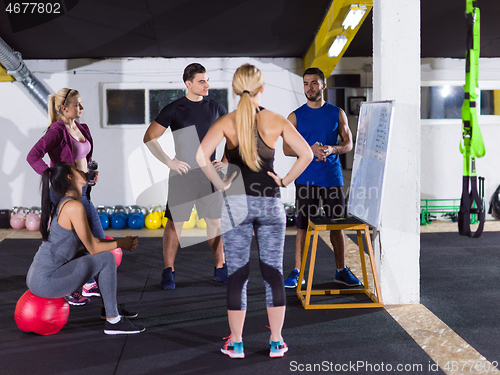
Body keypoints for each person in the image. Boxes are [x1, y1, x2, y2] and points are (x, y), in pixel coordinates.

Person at [196, 64, 313, 358]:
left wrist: (221, 183)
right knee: (273, 273)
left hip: (236, 203)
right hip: (270, 202)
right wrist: (285, 180)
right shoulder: (275, 120)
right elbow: (307, 154)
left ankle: (236, 343)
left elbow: (201, 157)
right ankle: (276, 341)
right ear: (262, 89)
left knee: (237, 275)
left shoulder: (226, 121)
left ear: (236, 89)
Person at [26, 162, 144, 335]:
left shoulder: (68, 204)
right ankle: (113, 321)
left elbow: (90, 242)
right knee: (106, 258)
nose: (83, 171)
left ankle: (109, 310)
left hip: (39, 277)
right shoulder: (73, 207)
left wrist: (118, 242)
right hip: (45, 281)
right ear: (70, 177)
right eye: (78, 170)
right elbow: (95, 247)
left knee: (98, 254)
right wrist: (121, 243)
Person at [143, 63, 228, 290]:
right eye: (202, 81)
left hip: (209, 174)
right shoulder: (175, 109)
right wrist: (170, 161)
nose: (207, 85)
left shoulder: (217, 108)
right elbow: (150, 137)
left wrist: (226, 161)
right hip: (183, 176)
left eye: (207, 80)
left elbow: (233, 135)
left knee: (214, 223)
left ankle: (220, 267)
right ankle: (168, 270)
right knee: (175, 224)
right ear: (188, 84)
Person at [283, 67, 361, 288]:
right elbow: (287, 148)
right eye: (306, 83)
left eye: (314, 83)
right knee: (303, 226)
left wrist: (332, 149)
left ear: (323, 86)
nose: (310, 88)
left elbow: (348, 143)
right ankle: (298, 271)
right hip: (305, 179)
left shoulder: (337, 113)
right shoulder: (295, 116)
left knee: (337, 225)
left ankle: (341, 270)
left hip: (332, 180)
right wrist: (309, 150)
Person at [27, 88, 104, 305]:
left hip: (83, 192)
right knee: (68, 245)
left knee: (94, 237)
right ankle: (69, 285)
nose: (82, 108)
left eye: (81, 104)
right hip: (64, 195)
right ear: (64, 108)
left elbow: (83, 158)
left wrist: (89, 174)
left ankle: (88, 283)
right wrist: (54, 177)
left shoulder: (83, 128)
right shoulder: (56, 131)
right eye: (78, 105)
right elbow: (32, 156)